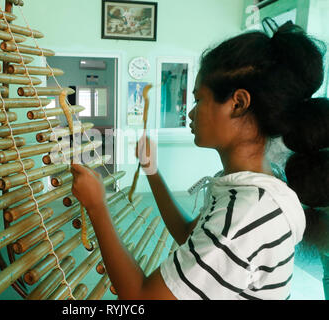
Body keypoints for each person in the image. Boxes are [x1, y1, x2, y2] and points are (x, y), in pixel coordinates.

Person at [71, 22, 329, 300]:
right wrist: (152, 171)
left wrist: (97, 206)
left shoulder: (248, 213)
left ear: (237, 103)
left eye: (199, 99)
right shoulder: (252, 187)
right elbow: (187, 234)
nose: (191, 114)